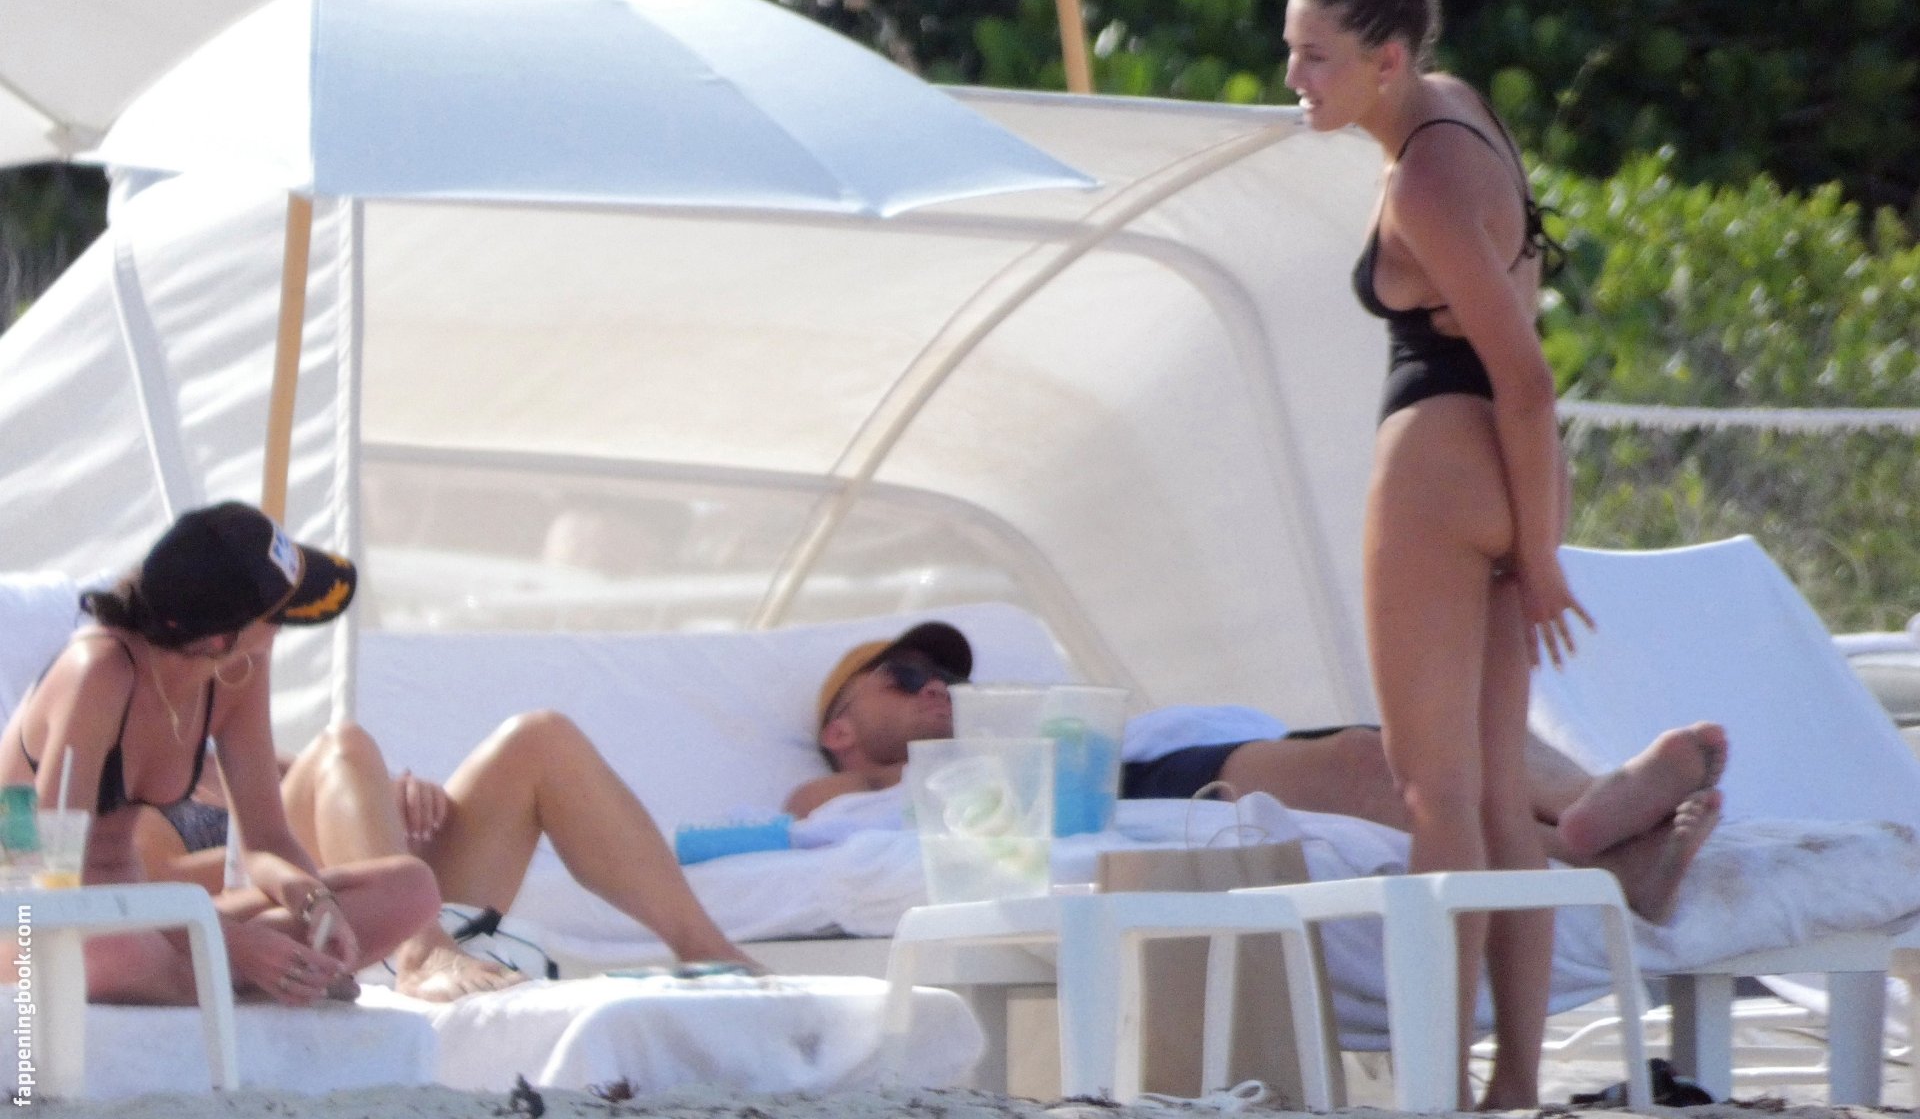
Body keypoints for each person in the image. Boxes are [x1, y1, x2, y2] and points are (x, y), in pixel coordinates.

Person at [1282, 0, 1596, 1105]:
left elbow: (1526, 374)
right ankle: (1511, 1081)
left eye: (1316, 57)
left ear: (1386, 60)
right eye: (1292, 50)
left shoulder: (1421, 178)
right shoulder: (1459, 111)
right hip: (1506, 475)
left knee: (1437, 793)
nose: (1295, 78)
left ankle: (1439, 1081)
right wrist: (1535, 531)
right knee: (1497, 793)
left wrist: (1545, 558)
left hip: (1443, 472)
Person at [786, 621, 1724, 928]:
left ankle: (1601, 818)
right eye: (905, 676)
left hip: (1138, 760)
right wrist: (915, 777)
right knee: (1373, 762)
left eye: (947, 677)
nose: (936, 687)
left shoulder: (1027, 734)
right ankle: (1599, 839)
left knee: (1449, 733)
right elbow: (812, 816)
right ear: (839, 730)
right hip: (1138, 789)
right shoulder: (841, 800)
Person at [0, 501, 438, 1006]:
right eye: (278, 616)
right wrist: (234, 943)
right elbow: (46, 873)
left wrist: (313, 900)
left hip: (152, 918)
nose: (283, 631)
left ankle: (223, 975)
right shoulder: (97, 671)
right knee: (117, 952)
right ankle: (226, 976)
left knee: (412, 889)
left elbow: (266, 841)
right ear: (218, 638)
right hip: (37, 914)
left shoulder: (238, 668)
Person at [134, 713, 760, 1000]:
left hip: (380, 889)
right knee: (343, 743)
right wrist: (315, 818)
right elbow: (162, 896)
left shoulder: (234, 753)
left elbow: (339, 789)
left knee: (539, 738)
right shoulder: (133, 788)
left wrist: (398, 798)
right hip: (278, 917)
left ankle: (709, 948)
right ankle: (421, 952)